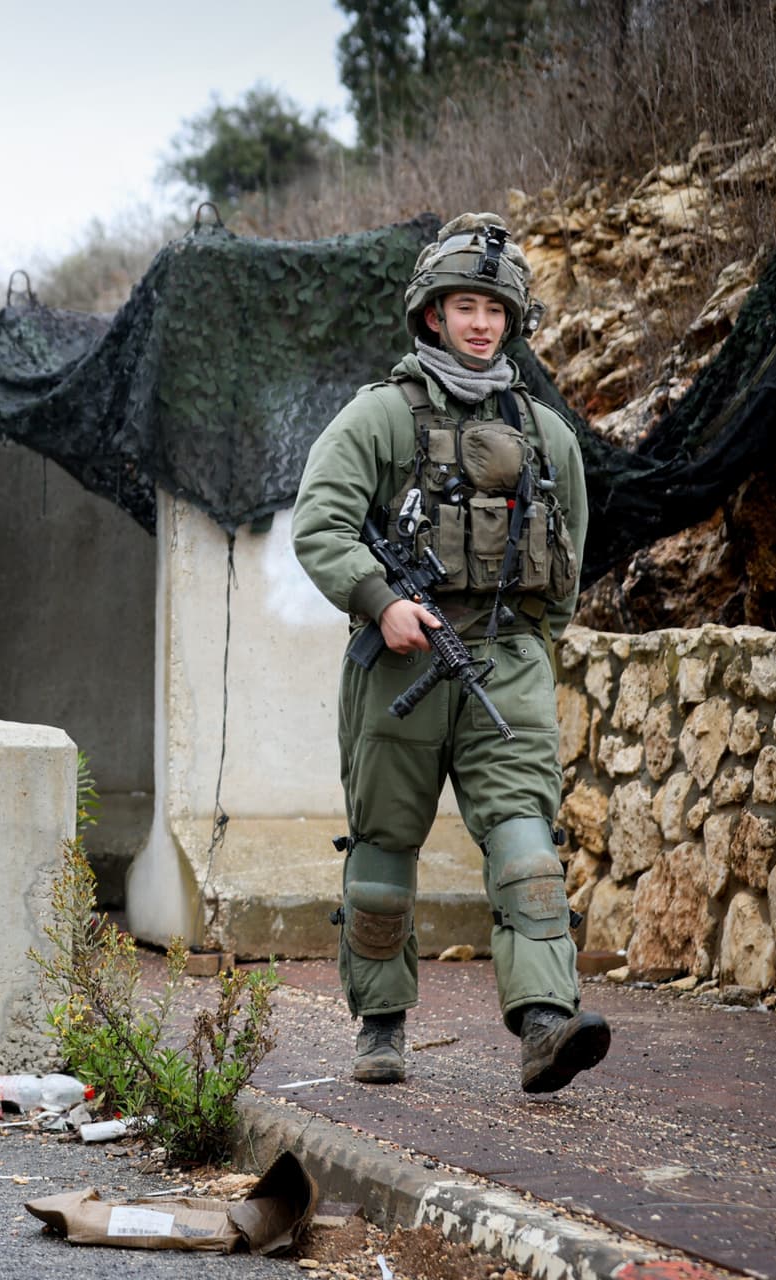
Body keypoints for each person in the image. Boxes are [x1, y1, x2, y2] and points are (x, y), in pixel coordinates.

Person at [291, 212, 611, 1093]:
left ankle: (547, 1020)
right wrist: (380, 599)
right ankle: (381, 1027)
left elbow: (566, 567)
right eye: (463, 305)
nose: (479, 323)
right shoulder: (380, 418)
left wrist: (533, 656)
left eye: (494, 310)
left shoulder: (549, 436)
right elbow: (319, 523)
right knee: (386, 849)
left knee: (525, 841)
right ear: (431, 314)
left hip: (504, 659)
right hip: (402, 658)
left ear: (512, 322)